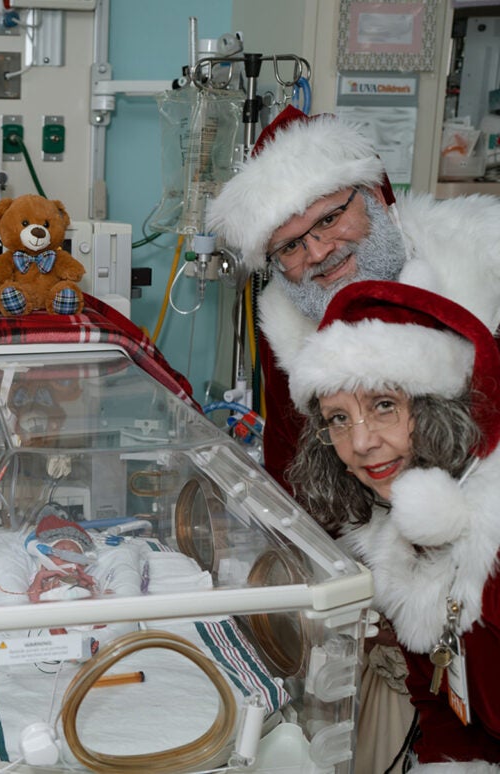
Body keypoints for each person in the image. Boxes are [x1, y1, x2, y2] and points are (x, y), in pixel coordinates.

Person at [205, 105, 500, 489]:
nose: (318, 252)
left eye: (328, 220)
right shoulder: (286, 327)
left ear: (376, 196)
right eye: (291, 246)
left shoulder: (488, 265)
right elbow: (292, 469)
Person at [287, 280, 500, 772]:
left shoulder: (490, 543)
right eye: (338, 418)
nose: (360, 443)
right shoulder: (392, 538)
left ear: (435, 408)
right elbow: (442, 704)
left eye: (384, 405)